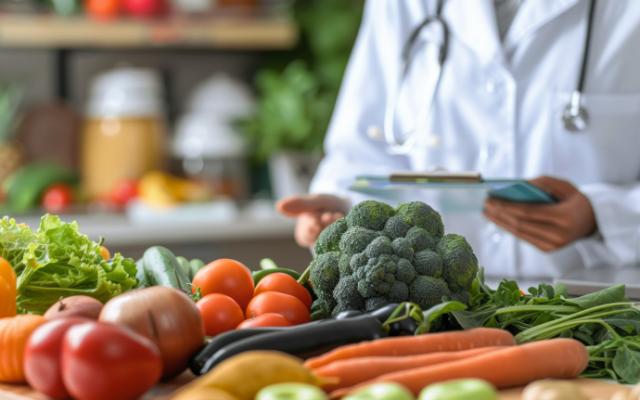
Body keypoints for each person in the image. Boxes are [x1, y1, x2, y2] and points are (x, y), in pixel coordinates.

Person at [277, 0, 640, 285]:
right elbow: (362, 148)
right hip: (437, 311)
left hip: (602, 309)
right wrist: (341, 205)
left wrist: (603, 216)